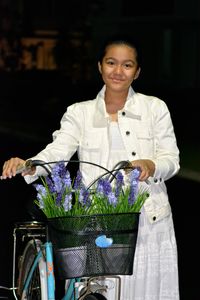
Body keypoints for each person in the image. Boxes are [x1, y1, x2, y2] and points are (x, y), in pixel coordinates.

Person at [1, 34, 180, 299]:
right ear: (100, 66)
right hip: (97, 222)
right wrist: (28, 165)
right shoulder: (79, 112)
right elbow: (57, 153)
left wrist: (151, 165)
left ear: (137, 71)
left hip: (148, 221)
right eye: (111, 62)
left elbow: (172, 159)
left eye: (127, 65)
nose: (118, 71)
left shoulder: (155, 108)